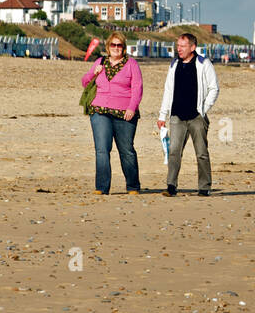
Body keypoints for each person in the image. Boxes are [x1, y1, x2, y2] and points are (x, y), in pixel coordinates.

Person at [156, 32, 220, 197]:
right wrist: (162, 115)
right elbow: (168, 91)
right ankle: (171, 185)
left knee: (201, 153)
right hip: (176, 116)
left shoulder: (203, 63)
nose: (179, 49)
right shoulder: (174, 64)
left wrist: (203, 109)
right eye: (178, 46)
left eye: (183, 46)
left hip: (196, 116)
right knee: (174, 152)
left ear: (192, 47)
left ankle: (204, 187)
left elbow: (214, 88)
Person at [81, 32, 143, 195]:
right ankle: (101, 187)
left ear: (124, 47)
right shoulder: (100, 61)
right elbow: (84, 82)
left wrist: (132, 107)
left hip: (124, 112)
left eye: (119, 45)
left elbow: (137, 88)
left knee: (126, 150)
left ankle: (133, 186)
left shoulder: (132, 64)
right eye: (113, 45)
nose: (116, 48)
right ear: (108, 47)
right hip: (100, 110)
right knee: (102, 149)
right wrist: (94, 72)